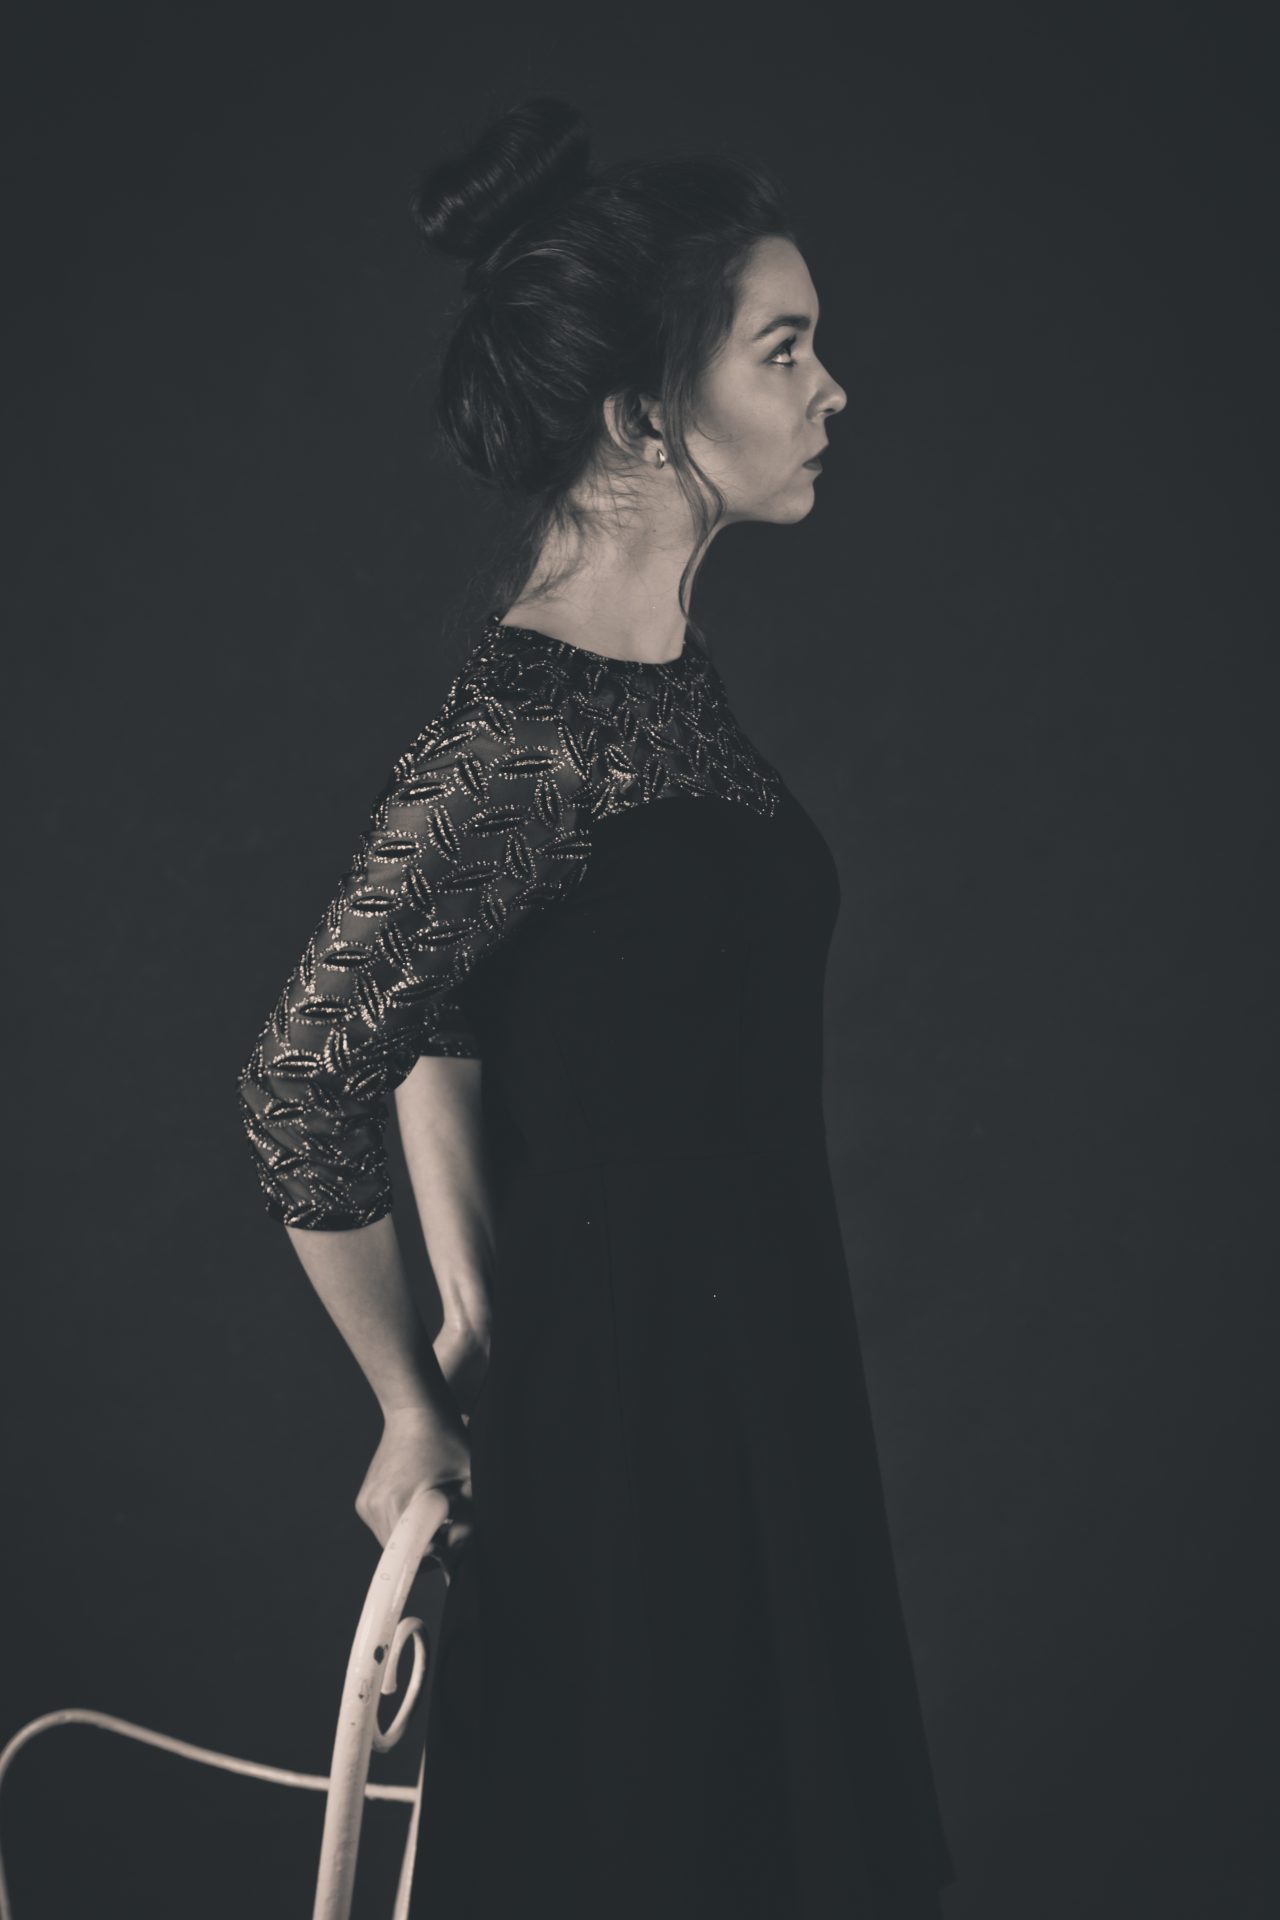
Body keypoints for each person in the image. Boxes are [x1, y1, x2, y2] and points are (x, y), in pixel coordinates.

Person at [237, 95, 956, 1920]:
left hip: (758, 1409)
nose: (832, 388)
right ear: (644, 413)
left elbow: (457, 1007)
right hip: (630, 1462)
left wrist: (478, 1286)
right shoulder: (526, 733)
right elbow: (307, 1074)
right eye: (782, 347)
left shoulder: (663, 691)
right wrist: (411, 1398)